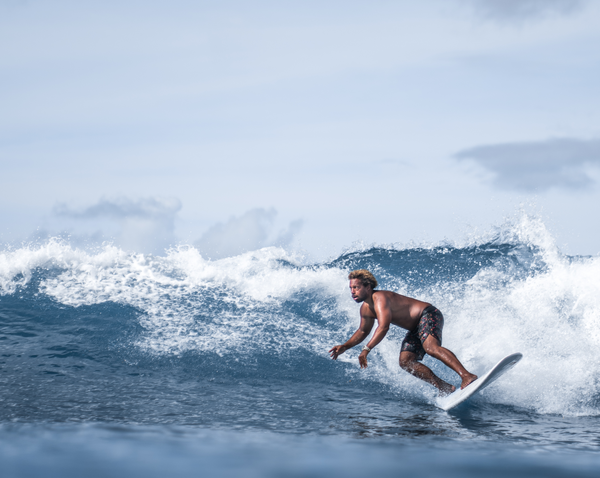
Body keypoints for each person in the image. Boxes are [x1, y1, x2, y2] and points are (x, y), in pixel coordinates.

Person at [329, 269, 477, 395]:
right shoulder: (366, 308)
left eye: (356, 287)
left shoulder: (379, 298)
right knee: (406, 362)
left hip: (428, 315)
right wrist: (345, 346)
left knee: (431, 348)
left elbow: (383, 326)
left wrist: (366, 349)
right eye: (351, 288)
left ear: (368, 287)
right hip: (415, 328)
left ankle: (466, 375)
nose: (352, 292)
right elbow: (362, 331)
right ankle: (444, 387)